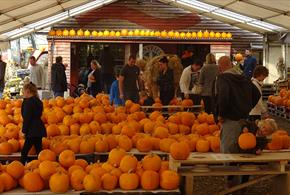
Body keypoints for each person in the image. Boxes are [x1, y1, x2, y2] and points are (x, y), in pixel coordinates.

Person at [215, 56, 260, 153]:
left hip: (229, 118)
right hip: (243, 119)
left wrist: (221, 114)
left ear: (219, 67)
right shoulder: (243, 78)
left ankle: (228, 168)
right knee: (240, 149)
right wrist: (247, 107)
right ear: (230, 64)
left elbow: (223, 97)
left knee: (227, 149)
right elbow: (257, 93)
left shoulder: (223, 78)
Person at [21, 82, 46, 163]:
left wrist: (24, 131)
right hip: (39, 128)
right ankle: (42, 165)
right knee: (39, 151)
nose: (22, 93)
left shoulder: (28, 103)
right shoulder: (38, 101)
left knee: (24, 151)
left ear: (28, 91)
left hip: (31, 130)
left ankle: (21, 167)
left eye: (23, 91)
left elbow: (27, 118)